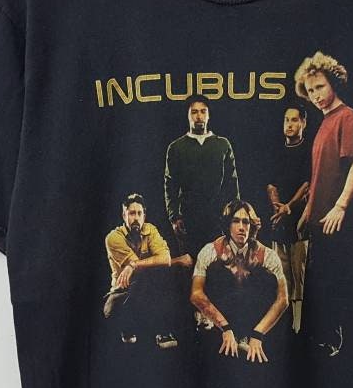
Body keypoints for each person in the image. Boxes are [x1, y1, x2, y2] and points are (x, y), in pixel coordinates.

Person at [294, 51, 353, 357]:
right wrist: (306, 212)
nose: (315, 95)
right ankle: (320, 342)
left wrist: (341, 206)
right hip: (318, 219)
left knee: (333, 283)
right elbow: (319, 174)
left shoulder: (348, 118)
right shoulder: (324, 122)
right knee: (318, 283)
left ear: (334, 82)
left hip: (335, 220)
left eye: (320, 87)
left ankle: (337, 346)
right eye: (310, 91)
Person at [190, 200, 288, 363]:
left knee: (265, 275)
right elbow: (196, 294)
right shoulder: (209, 251)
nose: (241, 227)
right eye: (236, 221)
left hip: (254, 322)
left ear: (252, 226)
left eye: (246, 222)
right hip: (220, 322)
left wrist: (258, 333)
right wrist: (225, 327)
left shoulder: (268, 255)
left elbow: (283, 299)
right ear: (228, 225)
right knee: (217, 271)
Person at [163, 99, 241, 263]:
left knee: (218, 265)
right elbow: (170, 184)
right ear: (188, 116)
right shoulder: (176, 147)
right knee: (190, 265)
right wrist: (174, 217)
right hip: (188, 219)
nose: (199, 116)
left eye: (203, 111)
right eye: (194, 112)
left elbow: (232, 183)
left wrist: (235, 214)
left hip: (218, 219)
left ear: (208, 115)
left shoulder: (222, 144)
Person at [102, 193, 180, 349]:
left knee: (161, 273)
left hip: (146, 292)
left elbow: (165, 259)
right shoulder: (113, 238)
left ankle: (161, 331)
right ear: (124, 215)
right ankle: (128, 327)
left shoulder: (150, 230)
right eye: (132, 213)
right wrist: (144, 263)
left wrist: (133, 265)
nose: (136, 218)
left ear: (144, 215)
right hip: (122, 295)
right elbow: (143, 270)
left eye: (139, 213)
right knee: (150, 273)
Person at [264, 105, 311, 333]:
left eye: (294, 120)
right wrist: (277, 207)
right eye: (286, 120)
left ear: (303, 123)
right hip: (279, 223)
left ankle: (298, 326)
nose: (289, 125)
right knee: (281, 276)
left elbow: (307, 184)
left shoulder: (309, 150)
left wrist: (289, 207)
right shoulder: (276, 150)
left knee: (298, 276)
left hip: (300, 223)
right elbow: (271, 184)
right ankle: (282, 326)